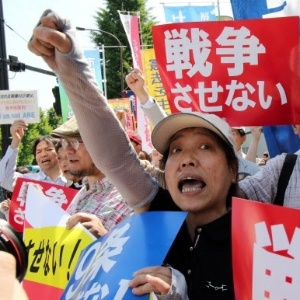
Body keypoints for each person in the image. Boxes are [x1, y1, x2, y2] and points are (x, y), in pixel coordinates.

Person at [28, 10, 240, 299]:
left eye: (205, 147)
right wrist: (70, 66)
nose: (187, 159)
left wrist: (179, 292)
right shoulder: (158, 209)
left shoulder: (257, 238)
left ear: (233, 171)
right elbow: (116, 157)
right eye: (176, 150)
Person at [51, 116, 134, 237]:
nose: (67, 150)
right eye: (64, 142)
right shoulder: (84, 191)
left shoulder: (131, 197)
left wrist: (104, 239)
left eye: (75, 142)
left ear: (104, 145)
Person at [0, 119, 66, 193]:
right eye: (38, 152)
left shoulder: (72, 180)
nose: (43, 154)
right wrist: (15, 141)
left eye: (48, 149)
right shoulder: (29, 182)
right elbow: (4, 178)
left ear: (60, 152)